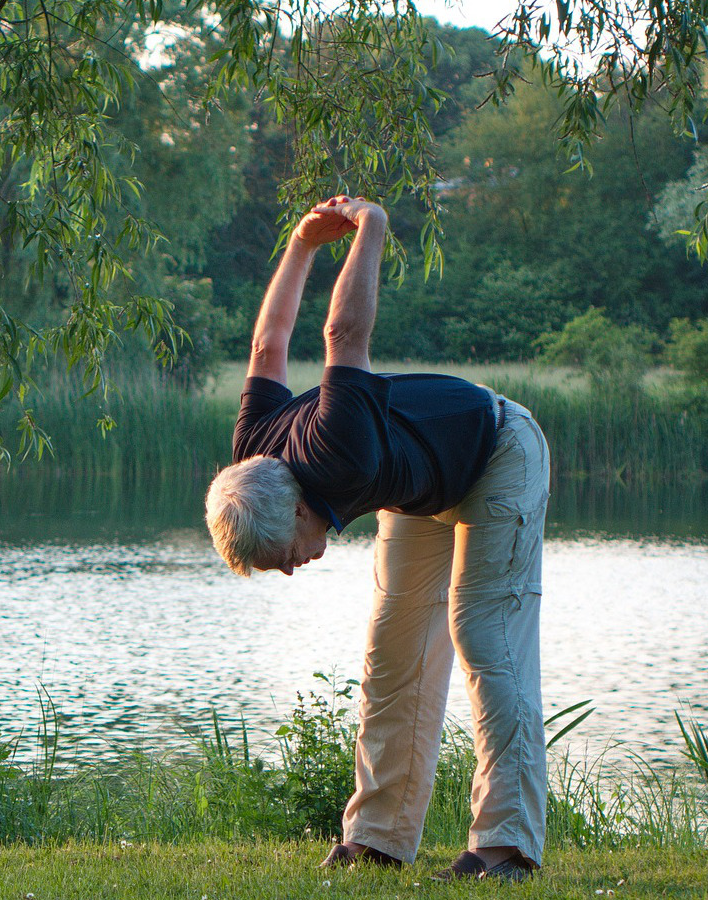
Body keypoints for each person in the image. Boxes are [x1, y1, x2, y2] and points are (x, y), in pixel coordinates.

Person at [204, 196, 551, 882]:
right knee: (392, 653)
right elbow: (267, 346)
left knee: (483, 635)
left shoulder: (339, 452)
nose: (293, 571)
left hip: (498, 452)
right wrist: (300, 246)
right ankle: (378, 838)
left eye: (283, 561)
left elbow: (343, 334)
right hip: (421, 484)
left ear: (299, 513)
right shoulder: (253, 452)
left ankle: (507, 847)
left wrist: (372, 229)